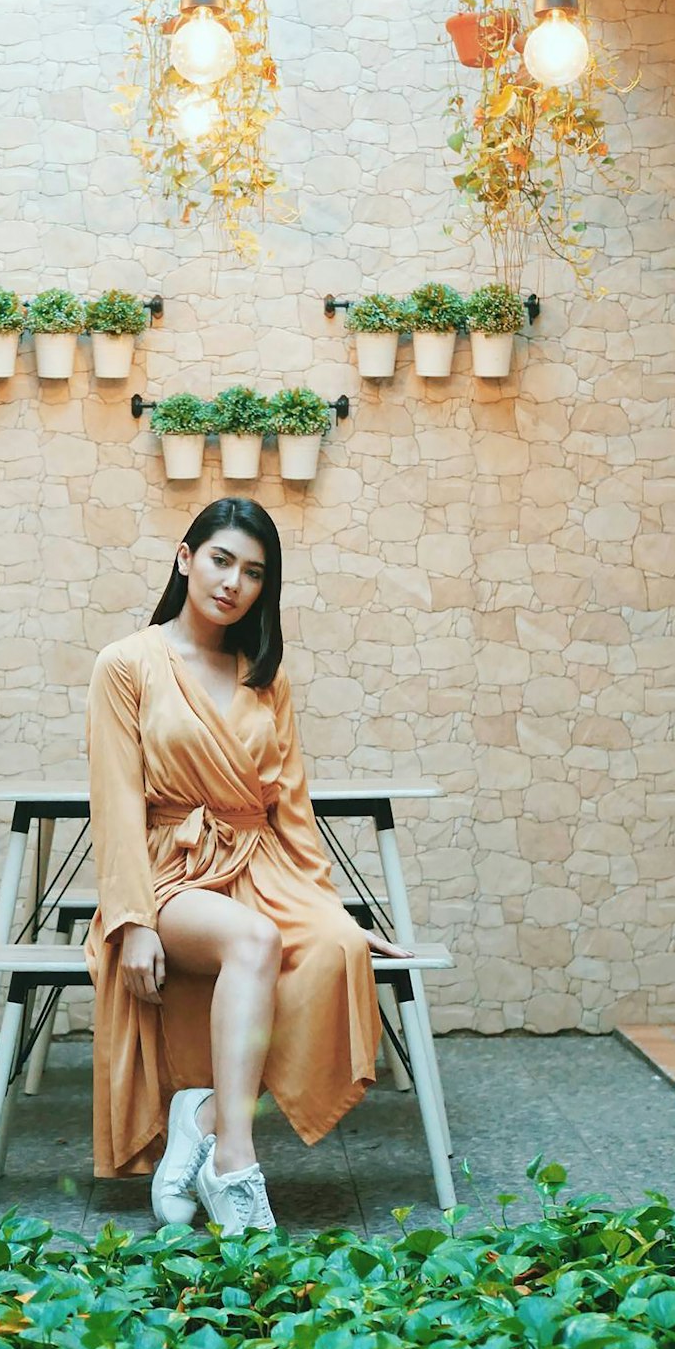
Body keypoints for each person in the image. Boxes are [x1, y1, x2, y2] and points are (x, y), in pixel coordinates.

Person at [83, 497, 411, 1236]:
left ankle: (198, 1113)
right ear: (185, 557)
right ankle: (234, 1161)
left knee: (336, 951)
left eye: (254, 572)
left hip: (262, 865)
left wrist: (337, 911)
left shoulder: (266, 674)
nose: (233, 582)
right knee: (256, 943)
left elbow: (291, 804)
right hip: (170, 872)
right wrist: (133, 920)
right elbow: (114, 803)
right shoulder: (126, 663)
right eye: (221, 559)